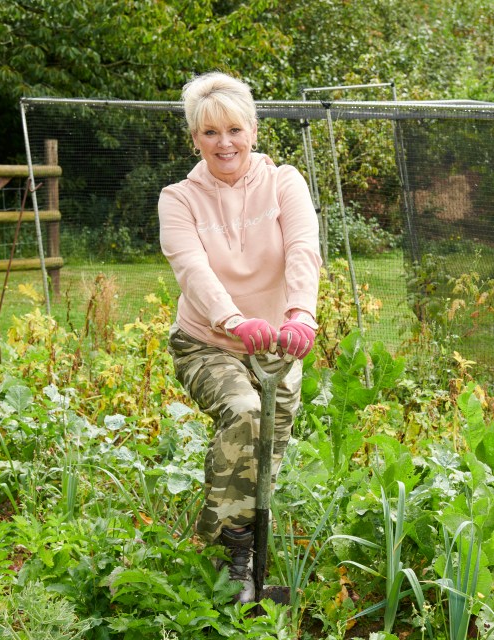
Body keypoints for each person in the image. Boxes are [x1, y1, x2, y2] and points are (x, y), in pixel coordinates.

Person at [158, 71, 322, 603]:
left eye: (234, 129)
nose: (224, 143)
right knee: (245, 414)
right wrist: (233, 322)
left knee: (267, 451)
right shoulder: (178, 199)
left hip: (278, 341)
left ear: (253, 129)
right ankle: (235, 553)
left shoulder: (285, 183)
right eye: (209, 133)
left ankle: (255, 561)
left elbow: (302, 248)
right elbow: (193, 271)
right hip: (208, 341)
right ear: (194, 139)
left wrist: (300, 314)